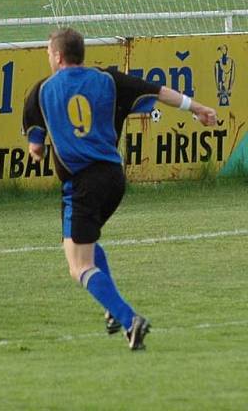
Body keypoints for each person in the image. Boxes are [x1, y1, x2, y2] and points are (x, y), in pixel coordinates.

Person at [22, 28, 217, 350]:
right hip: (113, 178)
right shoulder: (109, 80)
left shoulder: (42, 90)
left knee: (78, 265)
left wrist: (42, 148)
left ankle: (129, 319)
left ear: (57, 56)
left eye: (48, 52)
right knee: (82, 243)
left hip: (81, 184)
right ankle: (113, 313)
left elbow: (36, 147)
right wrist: (197, 108)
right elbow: (160, 92)